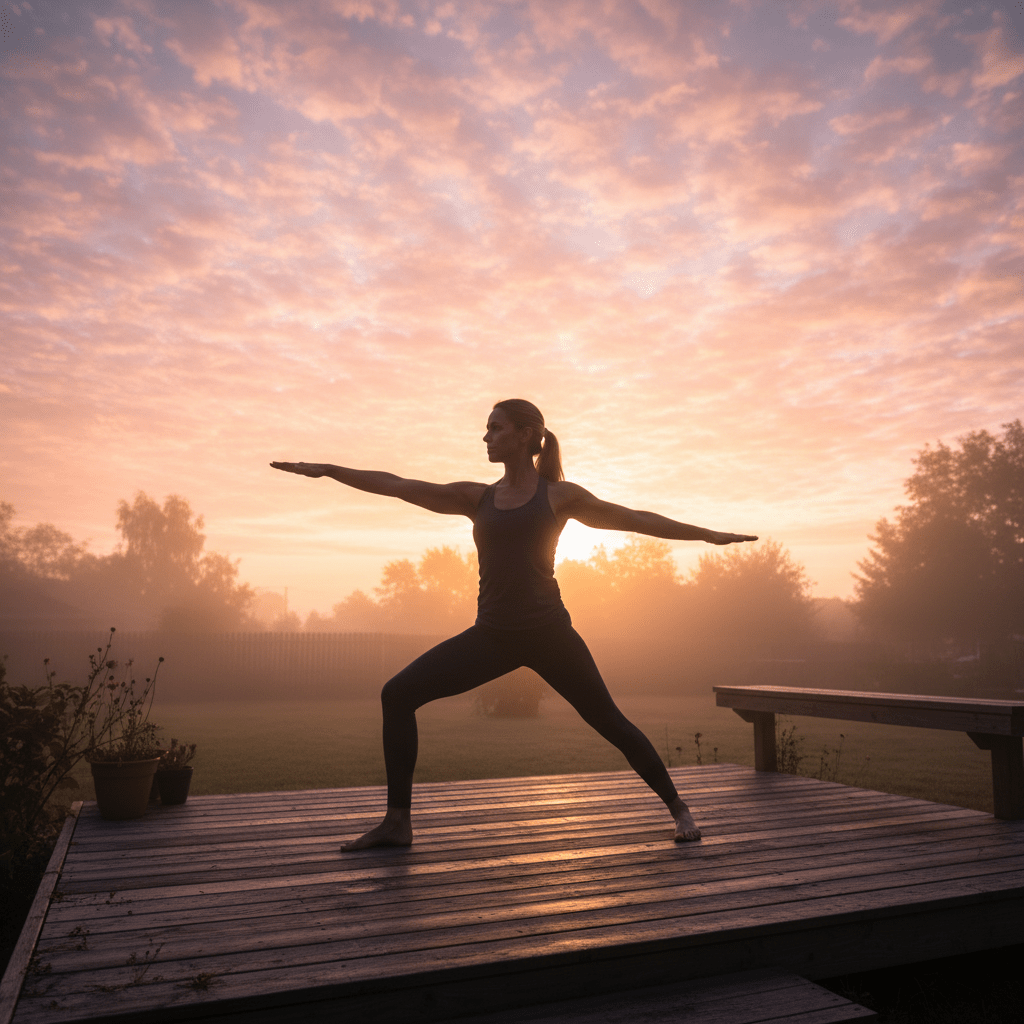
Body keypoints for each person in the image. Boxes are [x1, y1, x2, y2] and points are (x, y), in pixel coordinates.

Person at [271, 399, 756, 850]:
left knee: (608, 720)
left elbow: (631, 518)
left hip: (550, 634)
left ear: (526, 436)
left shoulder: (559, 497)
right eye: (486, 429)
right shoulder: (477, 497)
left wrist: (707, 535)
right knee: (397, 694)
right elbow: (400, 485)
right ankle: (398, 823)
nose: (485, 437)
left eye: (495, 428)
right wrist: (330, 471)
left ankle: (679, 809)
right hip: (493, 636)